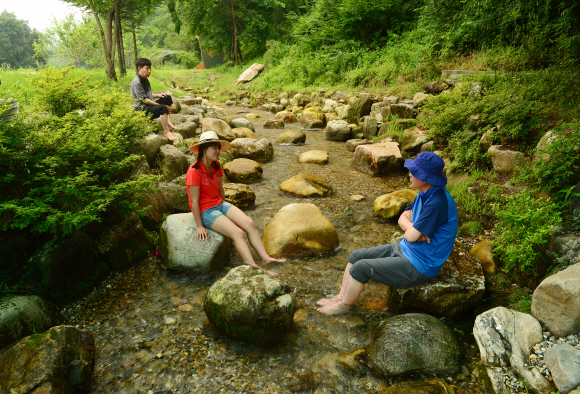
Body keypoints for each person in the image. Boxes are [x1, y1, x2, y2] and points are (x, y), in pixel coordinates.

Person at [317, 151, 458, 315]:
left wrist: (411, 230)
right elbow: (402, 219)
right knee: (355, 256)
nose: (409, 174)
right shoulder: (425, 193)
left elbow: (411, 236)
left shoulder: (437, 201)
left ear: (425, 177)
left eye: (414, 171)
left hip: (420, 264)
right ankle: (340, 297)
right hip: (405, 249)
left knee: (361, 268)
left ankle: (344, 306)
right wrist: (411, 227)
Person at [186, 131, 286, 275]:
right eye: (214, 147)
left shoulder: (216, 166)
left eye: (218, 147)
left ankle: (265, 258)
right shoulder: (194, 171)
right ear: (204, 149)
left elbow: (220, 189)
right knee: (238, 233)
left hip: (219, 204)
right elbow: (194, 201)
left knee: (249, 223)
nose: (218, 151)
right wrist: (200, 226)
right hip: (206, 211)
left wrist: (225, 211)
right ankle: (253, 267)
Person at [130, 58, 177, 141]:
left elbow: (147, 94)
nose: (149, 71)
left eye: (150, 69)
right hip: (141, 109)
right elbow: (145, 100)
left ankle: (167, 121)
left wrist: (158, 95)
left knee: (167, 97)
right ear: (139, 68)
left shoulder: (145, 79)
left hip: (147, 105)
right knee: (163, 108)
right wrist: (159, 105)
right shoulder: (137, 82)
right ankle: (166, 132)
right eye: (147, 68)